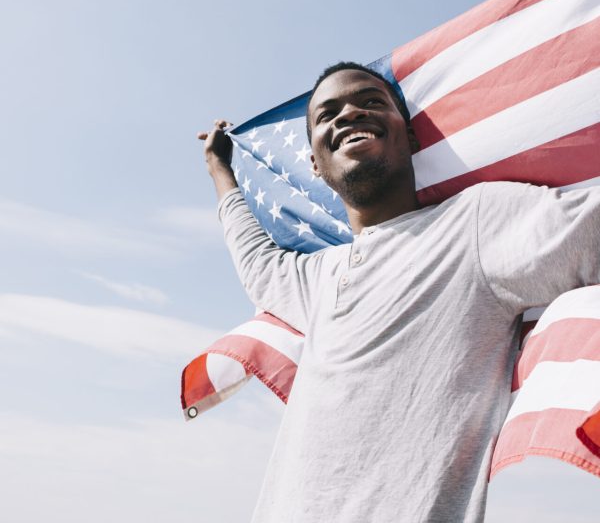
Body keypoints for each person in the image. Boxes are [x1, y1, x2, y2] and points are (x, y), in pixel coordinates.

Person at [198, 61, 600, 523]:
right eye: (327, 115)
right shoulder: (318, 277)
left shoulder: (475, 222)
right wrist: (219, 170)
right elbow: (257, 264)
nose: (349, 114)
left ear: (410, 139)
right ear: (314, 162)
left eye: (371, 102)